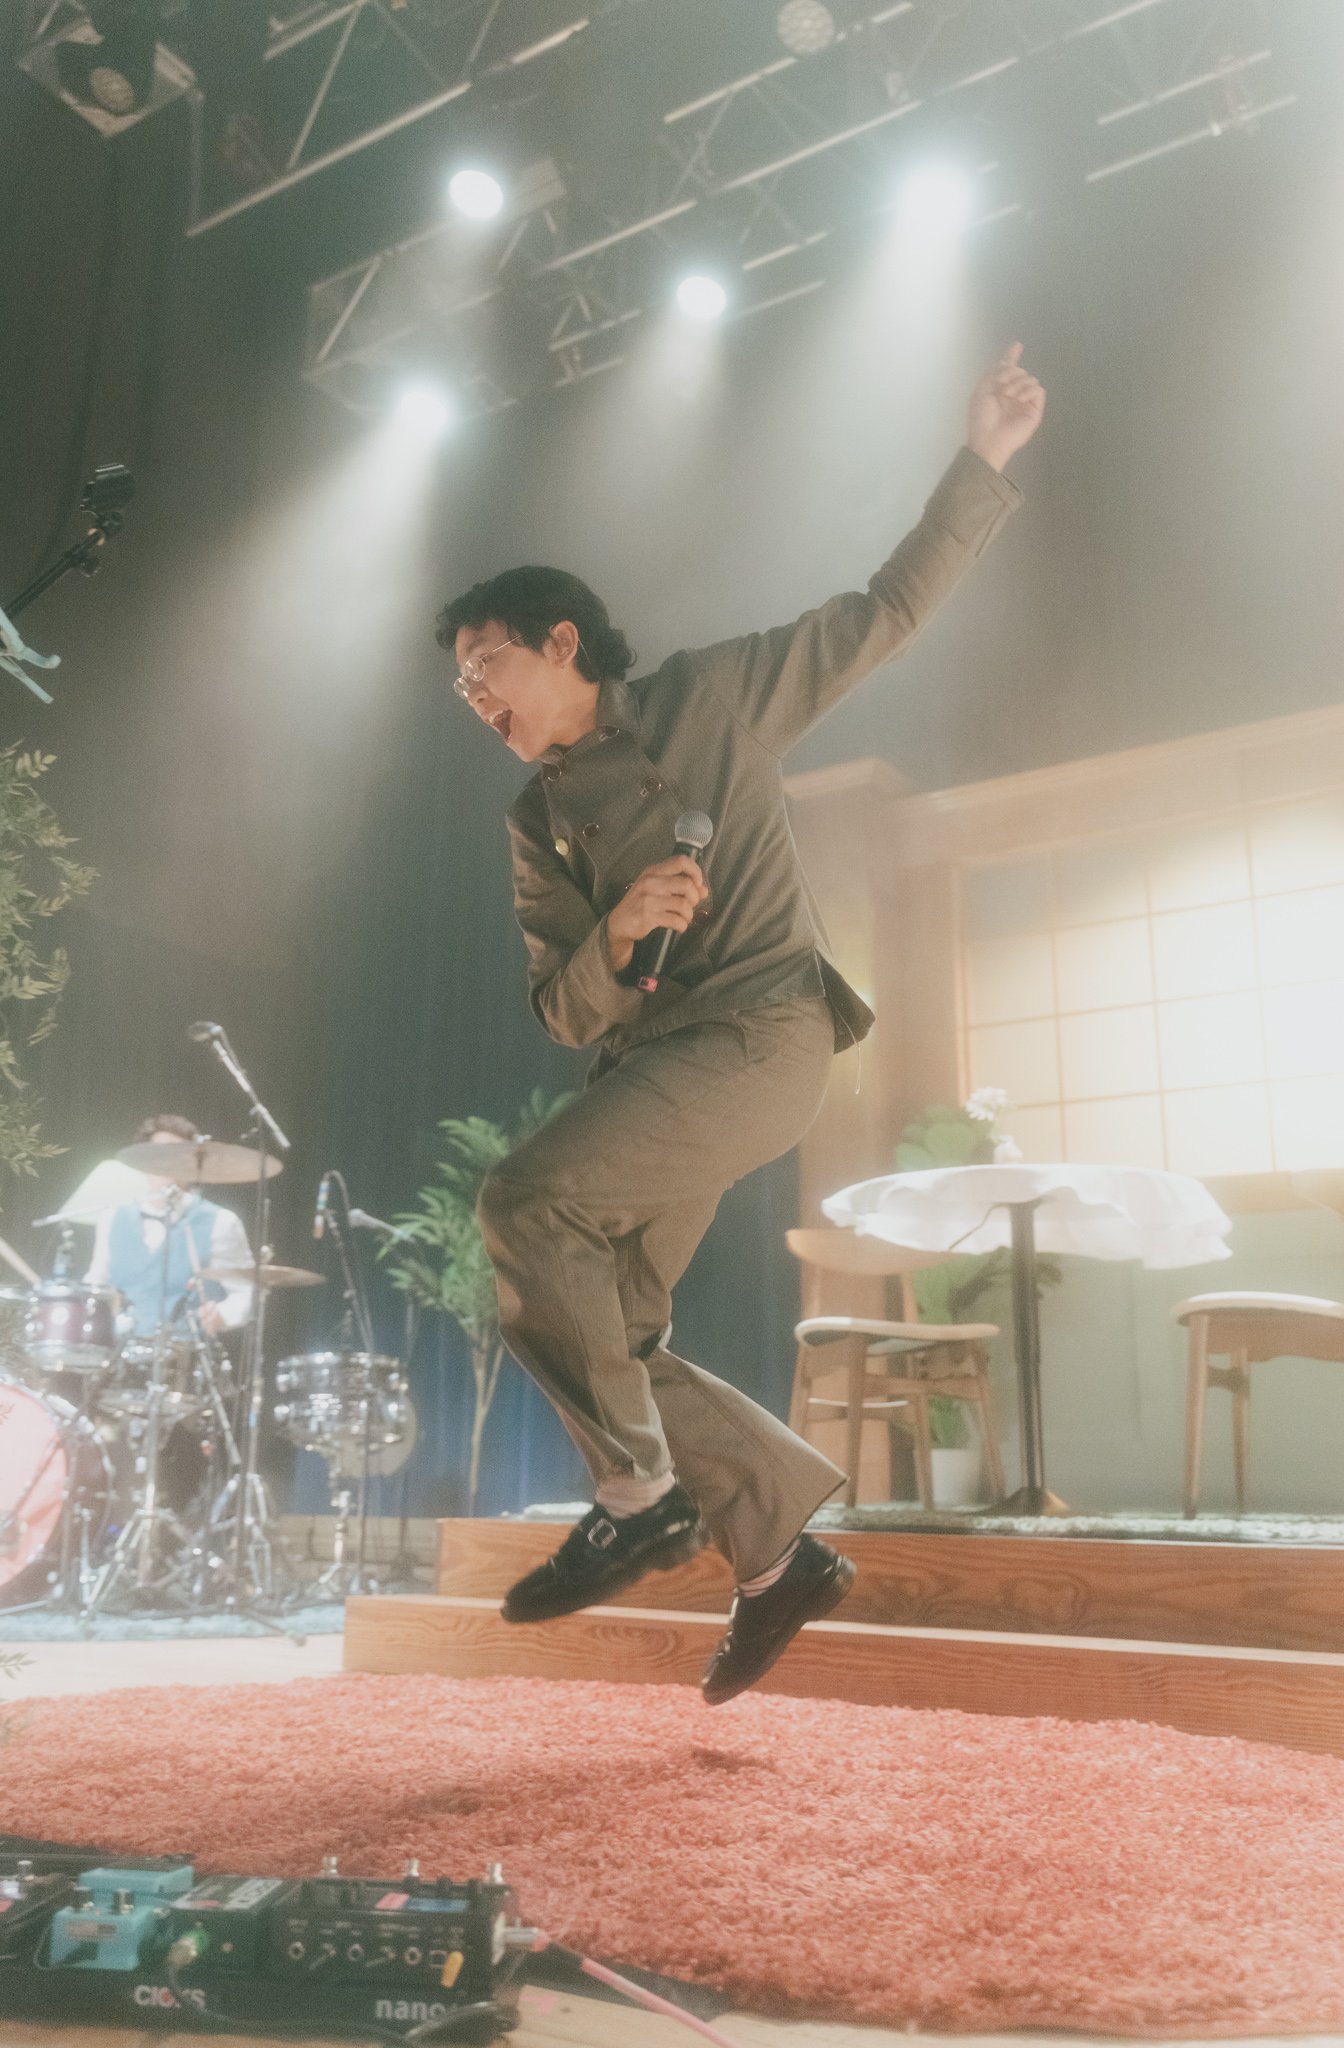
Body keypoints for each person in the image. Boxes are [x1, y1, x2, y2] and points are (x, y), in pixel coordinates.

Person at [437, 345, 1045, 1704]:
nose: (476, 697)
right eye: (461, 689)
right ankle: (778, 1557)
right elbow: (560, 1006)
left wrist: (984, 458)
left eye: (488, 665)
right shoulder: (536, 820)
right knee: (613, 1331)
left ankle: (639, 1498)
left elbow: (884, 610)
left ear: (561, 643)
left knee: (523, 1200)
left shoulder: (708, 701)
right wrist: (615, 929)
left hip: (764, 1034)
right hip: (652, 1072)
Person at [87, 1113, 253, 1339]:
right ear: (143, 1161)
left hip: (186, 1352)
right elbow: (96, 1285)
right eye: (161, 1154)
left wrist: (222, 1314)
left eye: (179, 1155)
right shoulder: (112, 1218)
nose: (170, 1163)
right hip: (120, 1351)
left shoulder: (221, 1222)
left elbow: (245, 1293)